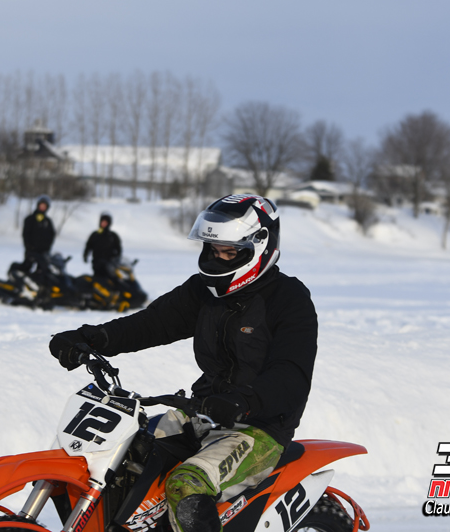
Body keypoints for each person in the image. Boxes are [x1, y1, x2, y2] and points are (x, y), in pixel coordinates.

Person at [50, 195, 318, 532]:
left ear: (259, 246)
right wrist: (91, 338)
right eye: (212, 250)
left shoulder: (288, 299)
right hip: (200, 412)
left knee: (186, 485)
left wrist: (243, 401)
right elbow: (152, 323)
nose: (217, 258)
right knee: (120, 456)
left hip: (259, 428)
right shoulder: (203, 291)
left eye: (229, 252)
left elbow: (291, 374)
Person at [20, 195, 55, 275]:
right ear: (38, 205)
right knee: (26, 269)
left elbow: (51, 235)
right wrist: (29, 248)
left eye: (44, 206)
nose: (42, 207)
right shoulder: (30, 219)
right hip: (31, 251)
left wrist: (47, 249)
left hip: (43, 253)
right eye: (41, 205)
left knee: (42, 272)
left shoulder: (48, 221)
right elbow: (26, 235)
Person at [83, 211, 122, 279]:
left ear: (109, 223)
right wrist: (85, 255)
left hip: (109, 263)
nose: (104, 224)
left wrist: (117, 259)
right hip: (97, 263)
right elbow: (88, 246)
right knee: (98, 279)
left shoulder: (113, 236)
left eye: (106, 222)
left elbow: (118, 249)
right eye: (102, 222)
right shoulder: (95, 234)